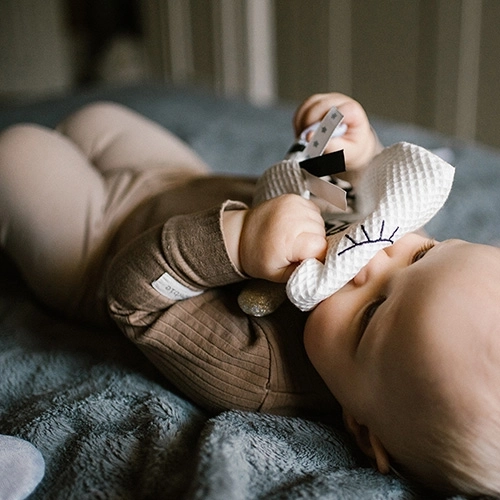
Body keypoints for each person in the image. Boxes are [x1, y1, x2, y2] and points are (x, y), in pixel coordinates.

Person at [1, 93, 500, 497]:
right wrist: (354, 153)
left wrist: (236, 247)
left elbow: (132, 298)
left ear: (363, 430)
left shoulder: (258, 372)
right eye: (423, 253)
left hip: (100, 240)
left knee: (17, 152)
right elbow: (347, 200)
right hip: (185, 181)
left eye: (371, 314)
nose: (375, 261)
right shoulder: (384, 250)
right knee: (95, 117)